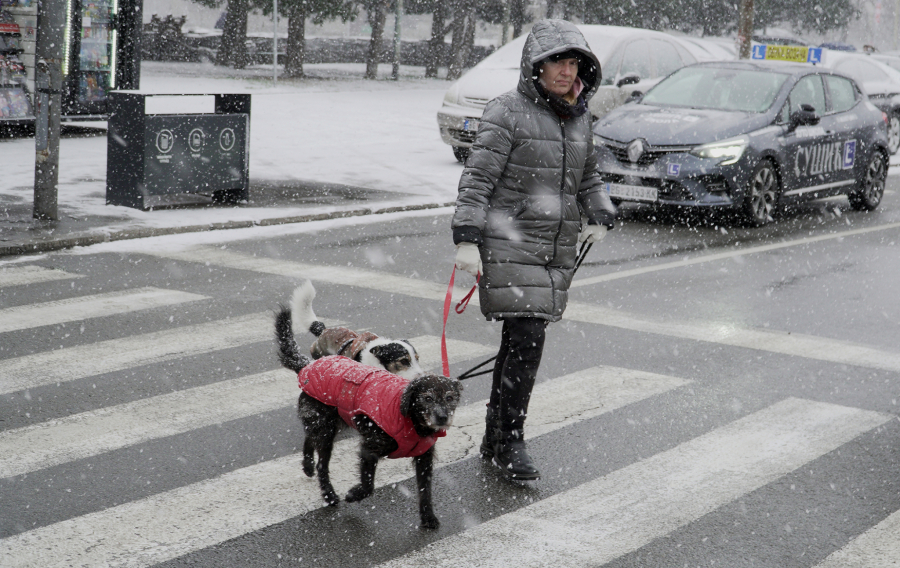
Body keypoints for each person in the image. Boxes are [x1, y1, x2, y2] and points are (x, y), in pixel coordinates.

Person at [451, 19, 616, 480]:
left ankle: (494, 436)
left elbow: (589, 175)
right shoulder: (507, 111)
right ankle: (510, 441)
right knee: (527, 340)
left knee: (518, 342)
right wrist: (467, 237)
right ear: (535, 67)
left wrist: (599, 211)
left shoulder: (580, 115)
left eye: (573, 62)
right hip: (512, 241)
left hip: (554, 249)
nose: (566, 71)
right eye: (556, 62)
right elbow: (478, 178)